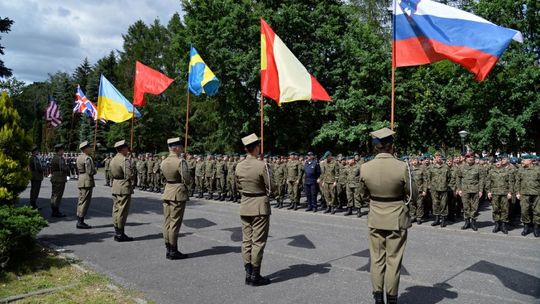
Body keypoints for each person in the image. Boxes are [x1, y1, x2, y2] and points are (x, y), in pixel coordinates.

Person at [359, 128, 417, 304]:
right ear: (392, 146)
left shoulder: (365, 167)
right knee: (393, 260)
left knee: (376, 260)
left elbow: (361, 196)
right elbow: (413, 194)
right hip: (396, 218)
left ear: (376, 147)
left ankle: (378, 298)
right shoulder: (401, 167)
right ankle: (391, 299)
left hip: (375, 216)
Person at [235, 133, 273, 286]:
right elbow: (271, 187)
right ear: (256, 147)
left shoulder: (239, 165)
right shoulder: (262, 165)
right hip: (259, 205)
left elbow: (237, 186)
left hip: (245, 204)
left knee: (246, 241)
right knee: (257, 242)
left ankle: (248, 273)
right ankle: (255, 276)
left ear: (245, 149)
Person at [161, 137, 192, 259]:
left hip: (168, 190)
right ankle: (173, 251)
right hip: (178, 193)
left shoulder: (164, 161)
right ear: (177, 148)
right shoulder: (180, 162)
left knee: (167, 222)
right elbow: (187, 179)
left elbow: (162, 177)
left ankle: (168, 248)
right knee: (174, 223)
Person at [110, 140, 135, 242]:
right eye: (127, 148)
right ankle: (120, 234)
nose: (128, 150)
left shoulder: (114, 159)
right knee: (122, 211)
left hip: (116, 185)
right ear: (123, 149)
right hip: (123, 186)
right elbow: (129, 174)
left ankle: (117, 232)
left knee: (116, 209)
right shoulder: (124, 160)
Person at [456, 154, 484, 231]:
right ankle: (467, 222)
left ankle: (473, 222)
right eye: (468, 157)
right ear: (466, 159)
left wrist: (481, 190)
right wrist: (459, 189)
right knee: (466, 206)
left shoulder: (478, 167)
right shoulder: (461, 167)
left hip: (475, 190)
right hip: (465, 190)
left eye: (472, 157)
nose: (470, 158)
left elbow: (481, 179)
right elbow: (458, 179)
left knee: (475, 207)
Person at [515, 155, 540, 237]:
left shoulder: (538, 169)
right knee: (524, 210)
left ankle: (536, 227)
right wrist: (517, 192)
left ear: (530, 161)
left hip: (537, 193)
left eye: (524, 160)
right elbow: (517, 182)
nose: (522, 161)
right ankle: (526, 227)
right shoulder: (521, 169)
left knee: (537, 211)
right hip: (524, 193)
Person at [486, 159, 512, 234]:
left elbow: (510, 182)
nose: (497, 163)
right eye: (495, 162)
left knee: (505, 209)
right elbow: (488, 182)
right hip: (494, 193)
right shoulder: (491, 172)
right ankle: (497, 224)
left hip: (504, 193)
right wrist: (488, 191)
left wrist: (510, 192)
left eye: (498, 162)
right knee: (495, 209)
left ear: (501, 162)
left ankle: (503, 225)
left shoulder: (507, 171)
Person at [75, 141, 97, 229]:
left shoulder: (79, 157)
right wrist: (94, 170)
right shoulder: (87, 158)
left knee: (81, 200)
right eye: (89, 147)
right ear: (85, 149)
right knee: (85, 201)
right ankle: (80, 221)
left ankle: (79, 219)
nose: (90, 149)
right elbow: (90, 171)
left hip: (81, 179)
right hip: (87, 180)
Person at [50, 144, 70, 217]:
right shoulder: (59, 158)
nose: (63, 151)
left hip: (56, 178)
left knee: (54, 195)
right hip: (59, 179)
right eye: (62, 150)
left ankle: (54, 210)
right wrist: (68, 168)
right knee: (57, 195)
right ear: (60, 150)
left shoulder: (55, 157)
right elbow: (63, 168)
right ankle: (55, 211)